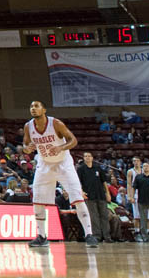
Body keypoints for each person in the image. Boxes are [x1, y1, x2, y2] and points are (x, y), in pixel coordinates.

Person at [23, 100, 97, 248]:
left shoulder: (55, 123)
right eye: (31, 106)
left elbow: (73, 140)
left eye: (36, 106)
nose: (33, 109)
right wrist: (27, 148)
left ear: (44, 110)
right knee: (37, 201)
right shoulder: (28, 126)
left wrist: (61, 147)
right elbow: (25, 145)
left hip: (63, 164)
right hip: (44, 164)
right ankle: (42, 236)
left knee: (77, 197)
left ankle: (89, 234)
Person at [77, 152, 112, 243]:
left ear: (92, 158)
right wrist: (81, 191)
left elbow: (104, 182)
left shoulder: (98, 168)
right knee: (93, 217)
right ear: (84, 158)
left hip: (101, 195)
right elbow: (78, 182)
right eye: (85, 156)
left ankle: (107, 236)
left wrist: (107, 193)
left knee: (104, 216)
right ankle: (97, 236)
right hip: (89, 196)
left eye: (89, 156)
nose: (87, 158)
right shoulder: (81, 169)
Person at [131, 162, 149, 242]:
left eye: (147, 166)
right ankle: (145, 236)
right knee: (143, 219)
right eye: (144, 166)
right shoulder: (138, 177)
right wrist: (132, 197)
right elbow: (134, 188)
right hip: (142, 201)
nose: (145, 167)